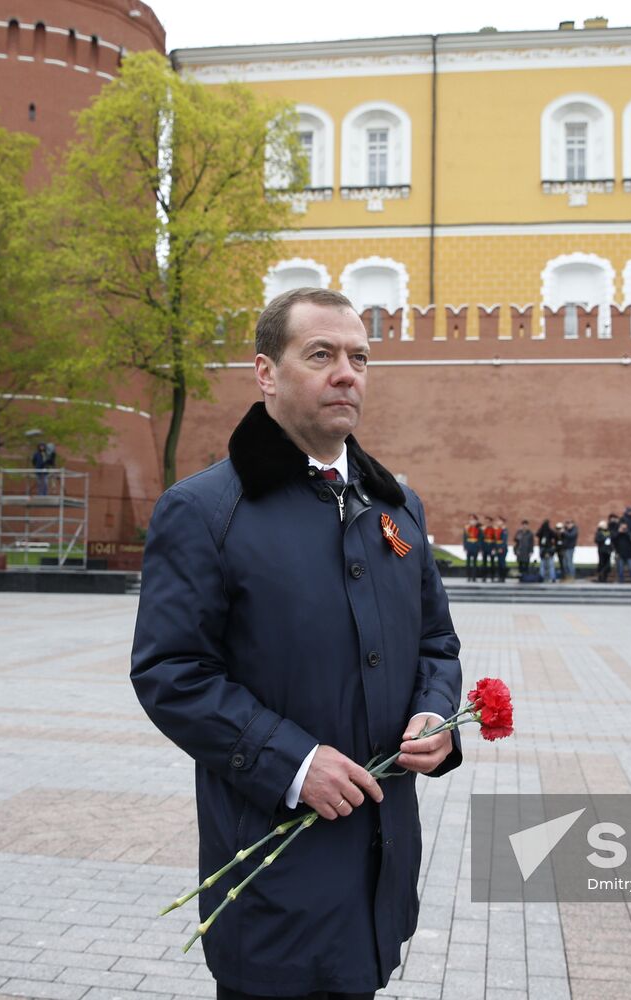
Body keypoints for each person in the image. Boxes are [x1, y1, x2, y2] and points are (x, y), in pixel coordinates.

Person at [130, 288, 462, 1000]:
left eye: (359, 358)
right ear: (266, 373)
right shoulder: (204, 512)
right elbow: (171, 672)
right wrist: (293, 762)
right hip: (271, 876)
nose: (347, 373)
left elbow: (435, 641)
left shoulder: (396, 506)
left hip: (379, 870)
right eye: (321, 355)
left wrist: (436, 716)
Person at [463, 514, 482, 582]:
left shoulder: (478, 529)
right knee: (468, 563)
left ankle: (474, 577)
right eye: (470, 520)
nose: (472, 521)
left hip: (475, 546)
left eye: (473, 520)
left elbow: (480, 539)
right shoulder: (467, 528)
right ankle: (468, 576)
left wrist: (479, 548)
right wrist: (465, 547)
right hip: (469, 546)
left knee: (474, 562)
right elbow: (465, 538)